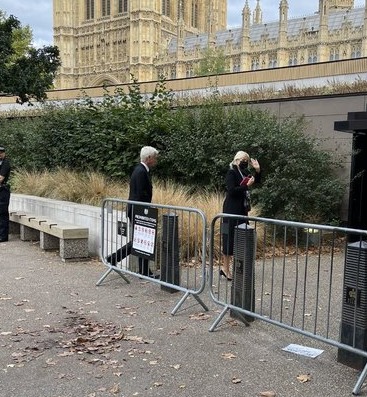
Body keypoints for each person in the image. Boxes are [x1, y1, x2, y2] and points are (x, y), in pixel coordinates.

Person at [107, 146, 159, 278]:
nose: (156, 160)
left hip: (137, 210)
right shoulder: (141, 172)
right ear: (149, 158)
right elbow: (141, 195)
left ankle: (143, 270)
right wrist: (146, 211)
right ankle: (115, 258)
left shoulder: (140, 170)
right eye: (154, 158)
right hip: (139, 211)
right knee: (139, 240)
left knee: (141, 239)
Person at [221, 151, 261, 280]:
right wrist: (245, 187)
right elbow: (231, 191)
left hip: (242, 210)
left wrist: (258, 170)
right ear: (237, 160)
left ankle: (238, 267)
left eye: (247, 160)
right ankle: (225, 268)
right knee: (229, 238)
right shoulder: (231, 172)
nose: (245, 162)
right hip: (231, 209)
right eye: (244, 159)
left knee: (242, 238)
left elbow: (255, 181)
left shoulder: (243, 173)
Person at [0, 146, 11, 243]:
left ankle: (3, 236)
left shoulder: (5, 163)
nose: (0, 154)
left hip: (3, 190)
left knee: (2, 213)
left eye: (1, 152)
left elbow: (1, 179)